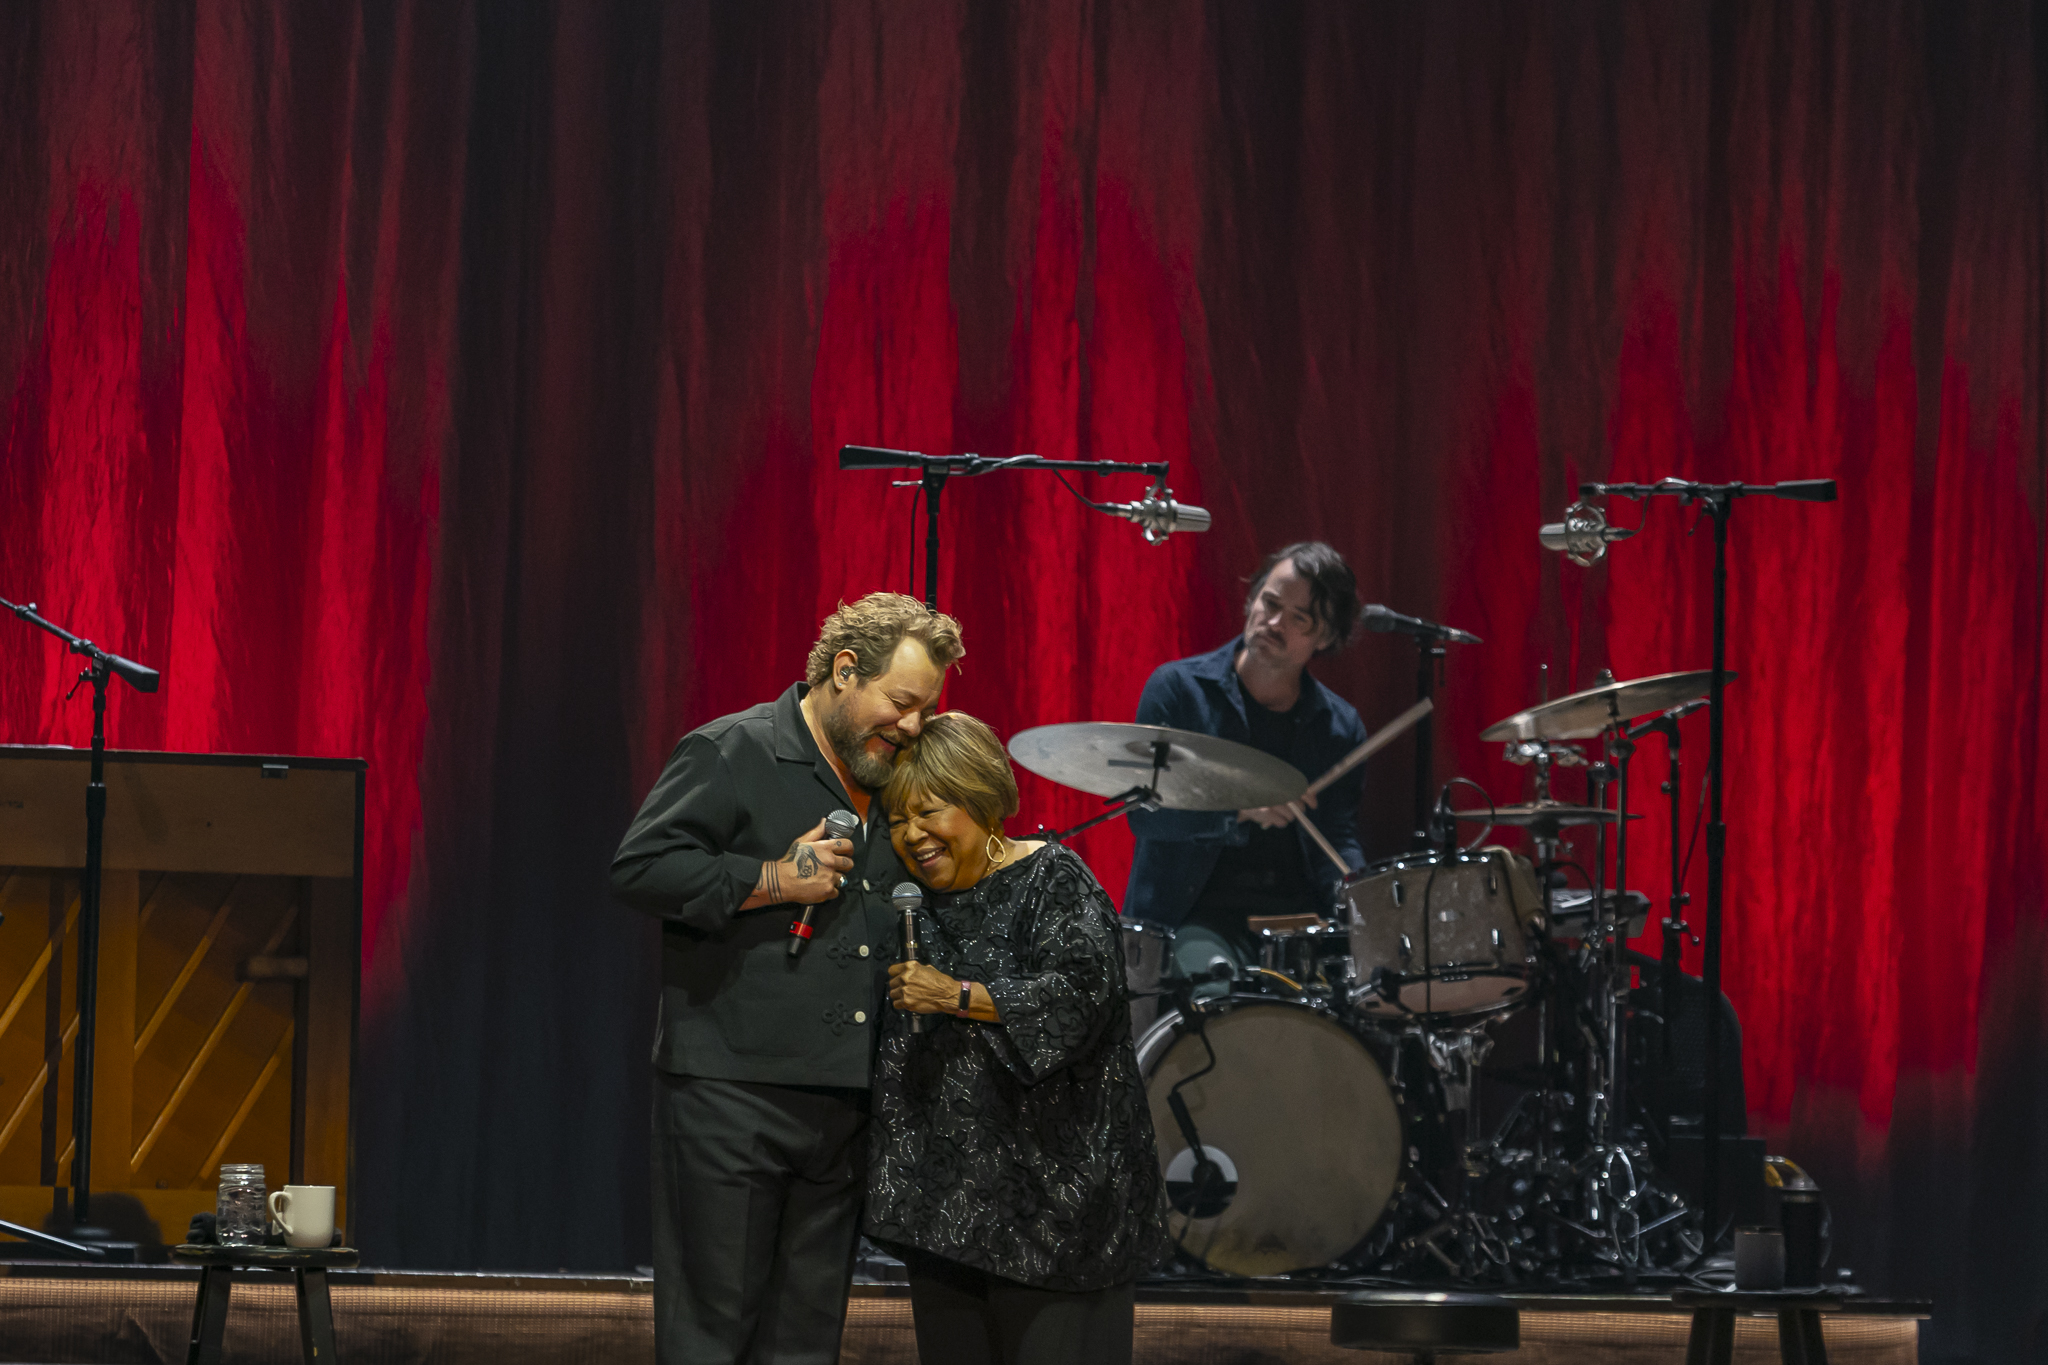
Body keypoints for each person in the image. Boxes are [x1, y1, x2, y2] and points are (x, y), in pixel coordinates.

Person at [610, 593, 964, 1365]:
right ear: (845, 670)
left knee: (804, 1342)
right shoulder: (734, 750)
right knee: (713, 1337)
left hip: (844, 1107)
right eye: (902, 702)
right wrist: (771, 877)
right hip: (732, 1099)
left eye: (925, 709)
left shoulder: (894, 774)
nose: (913, 725)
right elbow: (641, 867)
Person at [866, 712, 1169, 1365]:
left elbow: (1081, 998)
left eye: (929, 811)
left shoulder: (1053, 879)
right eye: (897, 819)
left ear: (980, 799)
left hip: (1057, 1216)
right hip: (943, 1213)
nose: (912, 834)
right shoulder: (907, 902)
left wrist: (957, 995)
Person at [1122, 542, 1367, 981]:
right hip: (1191, 919)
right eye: (1270, 603)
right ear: (1251, 599)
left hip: (1295, 926)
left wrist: (1360, 892)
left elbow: (1336, 838)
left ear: (1326, 638)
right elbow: (1145, 816)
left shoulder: (1339, 727)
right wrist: (1239, 809)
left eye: (1299, 618)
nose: (1274, 623)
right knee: (1218, 1001)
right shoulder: (1179, 691)